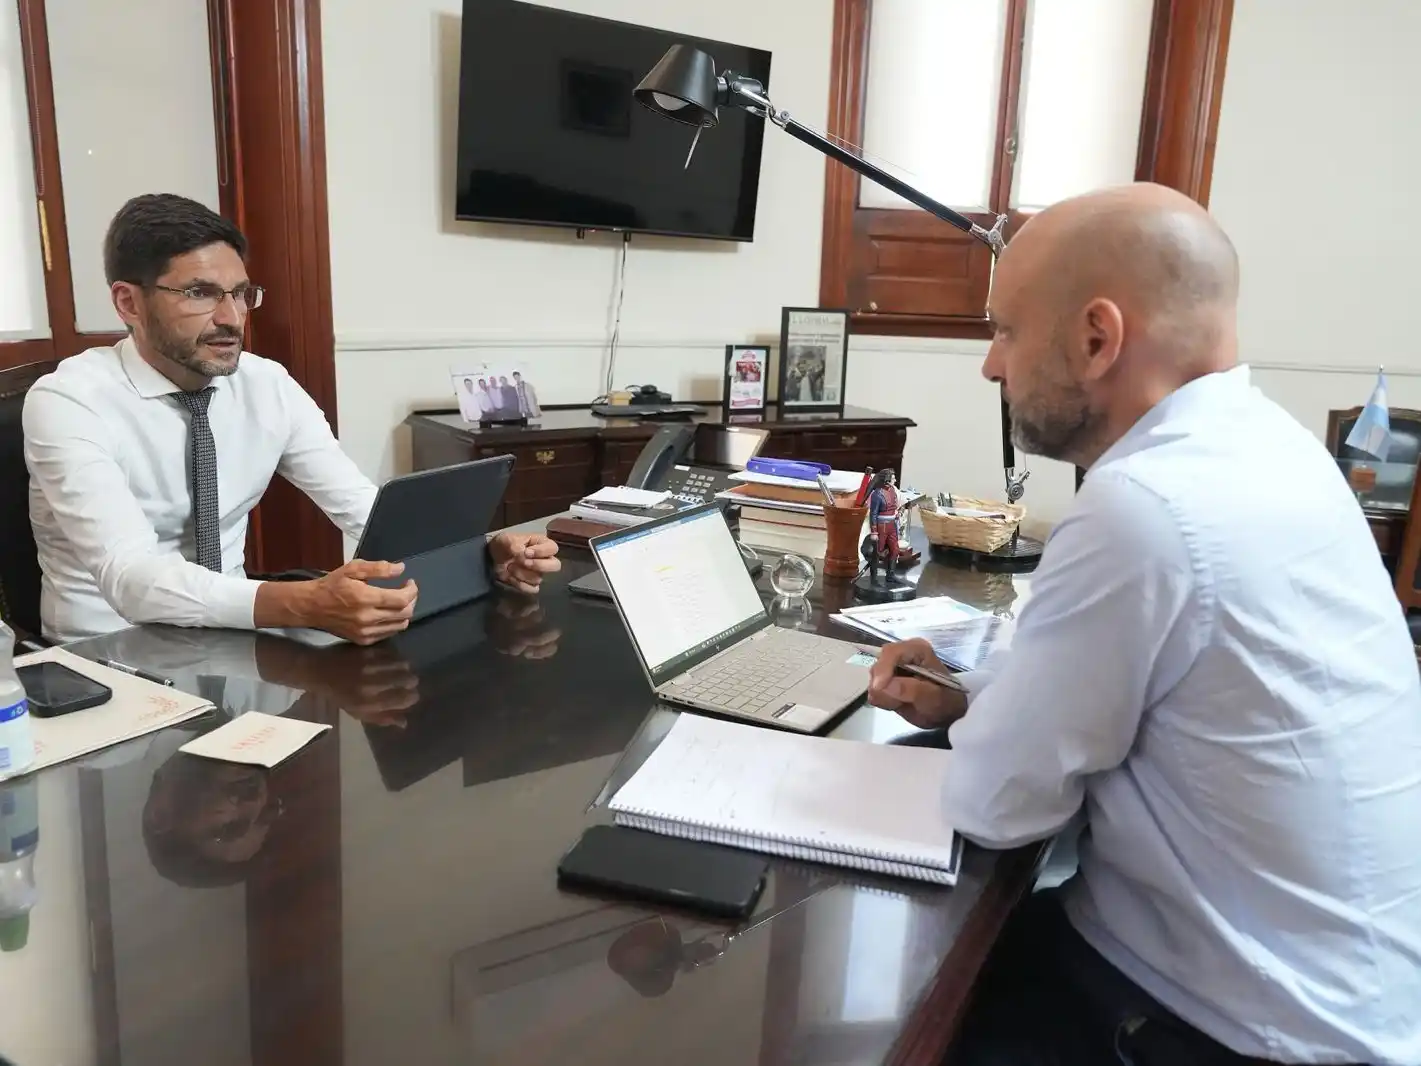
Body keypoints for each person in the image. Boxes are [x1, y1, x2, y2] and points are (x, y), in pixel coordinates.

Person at [869, 183, 1421, 1065]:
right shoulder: (1269, 448)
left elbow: (998, 807)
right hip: (1347, 996)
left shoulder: (1145, 506)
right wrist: (971, 696)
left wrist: (988, 725)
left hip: (1227, 1028)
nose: (990, 365)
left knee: (883, 1012)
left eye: (1005, 331)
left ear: (1097, 338)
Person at [24, 194, 560, 646]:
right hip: (107, 652)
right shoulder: (69, 400)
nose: (231, 318)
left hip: (233, 636)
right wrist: (305, 603)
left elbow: (365, 510)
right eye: (199, 294)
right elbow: (131, 580)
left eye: (239, 294)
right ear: (129, 303)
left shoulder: (266, 384)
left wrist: (484, 549)